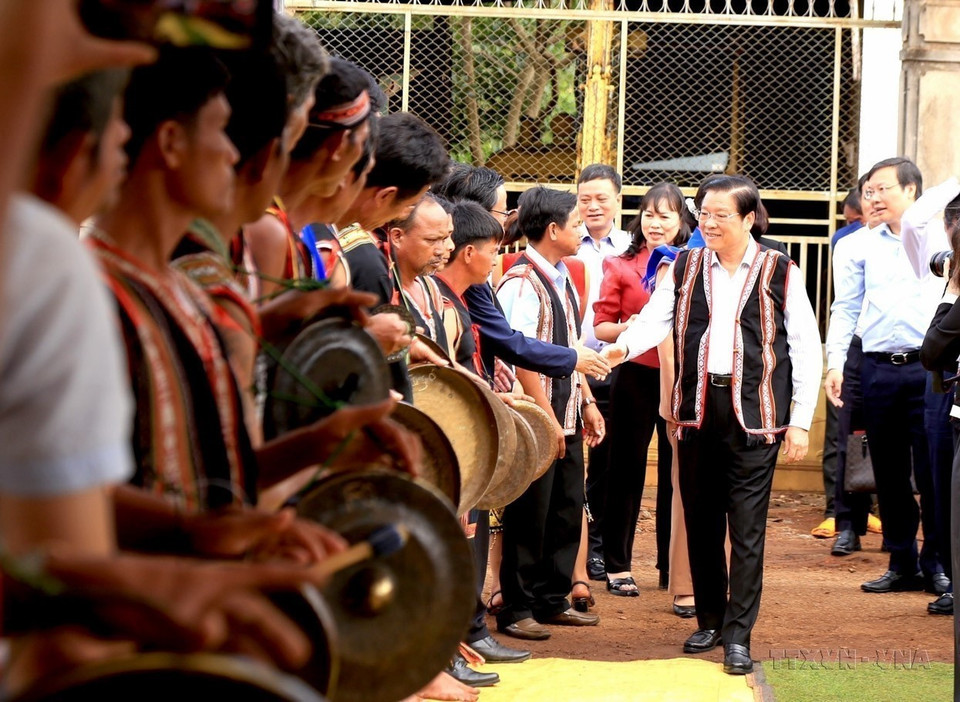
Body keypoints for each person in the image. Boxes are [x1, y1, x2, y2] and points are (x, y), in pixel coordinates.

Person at [601, 175, 822, 675]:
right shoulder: (683, 266)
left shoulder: (779, 270)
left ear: (749, 219)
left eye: (722, 214)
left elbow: (806, 345)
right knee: (700, 521)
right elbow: (656, 321)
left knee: (745, 528)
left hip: (756, 415)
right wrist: (617, 351)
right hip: (696, 410)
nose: (710, 222)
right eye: (704, 213)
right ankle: (710, 618)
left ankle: (738, 635)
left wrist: (801, 420)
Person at [824, 157, 950, 599]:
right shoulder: (854, 245)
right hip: (876, 368)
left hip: (931, 369)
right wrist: (835, 362)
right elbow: (845, 307)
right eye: (868, 191)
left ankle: (938, 564)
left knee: (934, 470)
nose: (872, 198)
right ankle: (901, 560)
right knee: (889, 472)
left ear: (912, 191)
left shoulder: (937, 240)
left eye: (883, 189)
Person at [495, 187, 605, 641]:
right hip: (538, 417)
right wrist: (546, 419)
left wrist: (588, 403)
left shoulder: (563, 277)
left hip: (569, 410)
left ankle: (551, 598)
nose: (584, 229)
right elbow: (521, 356)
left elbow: (570, 352)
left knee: (564, 507)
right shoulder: (521, 281)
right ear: (553, 229)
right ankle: (516, 606)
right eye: (577, 223)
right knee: (529, 511)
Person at [593, 182, 688, 598]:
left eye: (665, 215)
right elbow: (600, 327)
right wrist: (628, 329)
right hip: (633, 374)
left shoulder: (693, 263)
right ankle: (618, 565)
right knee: (624, 470)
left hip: (681, 378)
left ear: (682, 220)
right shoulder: (620, 264)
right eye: (649, 214)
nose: (655, 222)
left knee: (676, 472)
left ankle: (672, 567)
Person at [574, 164, 631, 586]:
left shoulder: (631, 248)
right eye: (585, 198)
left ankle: (599, 548)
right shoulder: (561, 240)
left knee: (609, 466)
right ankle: (574, 551)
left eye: (601, 198)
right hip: (569, 369)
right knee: (571, 461)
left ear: (618, 200)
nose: (593, 206)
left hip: (616, 369)